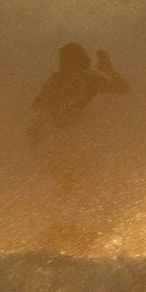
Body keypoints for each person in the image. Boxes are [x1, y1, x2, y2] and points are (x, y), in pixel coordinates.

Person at [29, 42, 130, 186]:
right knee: (67, 183)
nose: (65, 66)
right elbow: (37, 112)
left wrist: (110, 70)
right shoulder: (57, 82)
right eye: (63, 62)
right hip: (60, 139)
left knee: (83, 181)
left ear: (80, 62)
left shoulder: (89, 79)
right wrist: (37, 144)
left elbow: (123, 88)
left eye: (68, 62)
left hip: (81, 138)